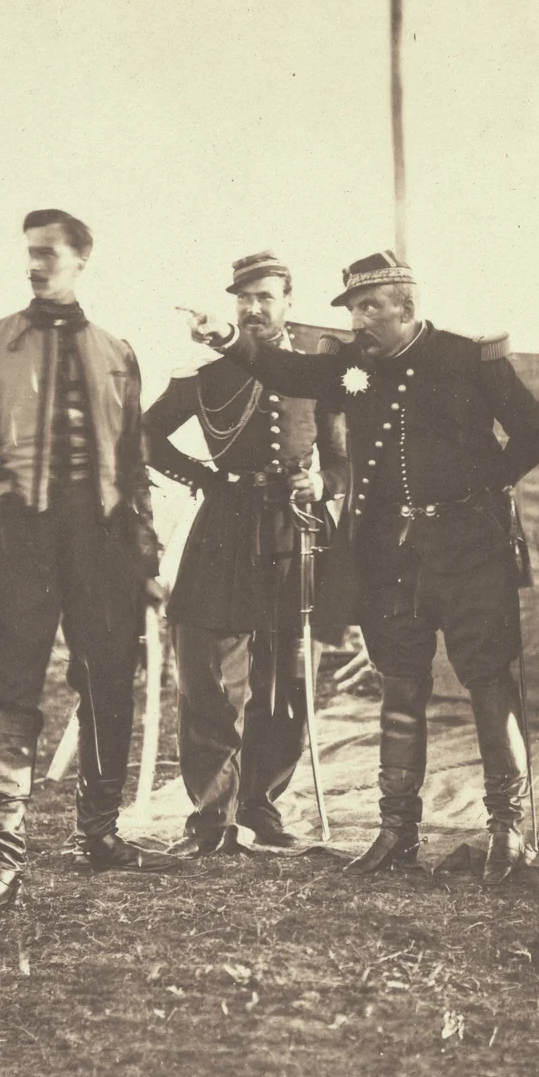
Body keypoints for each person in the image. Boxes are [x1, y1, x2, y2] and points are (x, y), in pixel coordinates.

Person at [187, 251, 539, 884]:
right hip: (391, 555)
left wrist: (477, 491)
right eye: (354, 308)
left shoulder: (470, 359)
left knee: (488, 683)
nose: (358, 321)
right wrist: (226, 339)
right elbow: (289, 370)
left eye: (369, 307)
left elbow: (535, 433)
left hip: (471, 551)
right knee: (401, 684)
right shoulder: (351, 365)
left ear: (406, 307)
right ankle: (396, 832)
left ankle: (507, 830)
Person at [0, 209, 172, 923]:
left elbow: (135, 467)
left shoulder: (118, 353)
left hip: (102, 544)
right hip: (16, 540)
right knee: (9, 689)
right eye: (29, 255)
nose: (35, 266)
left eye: (48, 255)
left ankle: (98, 833)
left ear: (79, 261)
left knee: (107, 683)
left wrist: (146, 559)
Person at [143, 252, 349, 854]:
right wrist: (202, 479)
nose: (253, 308)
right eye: (243, 298)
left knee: (286, 678)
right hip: (225, 528)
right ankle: (213, 818)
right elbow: (145, 433)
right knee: (208, 676)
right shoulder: (204, 369)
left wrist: (327, 486)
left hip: (293, 531)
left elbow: (341, 459)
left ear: (288, 299)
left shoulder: (317, 367)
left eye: (265, 296)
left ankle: (261, 803)